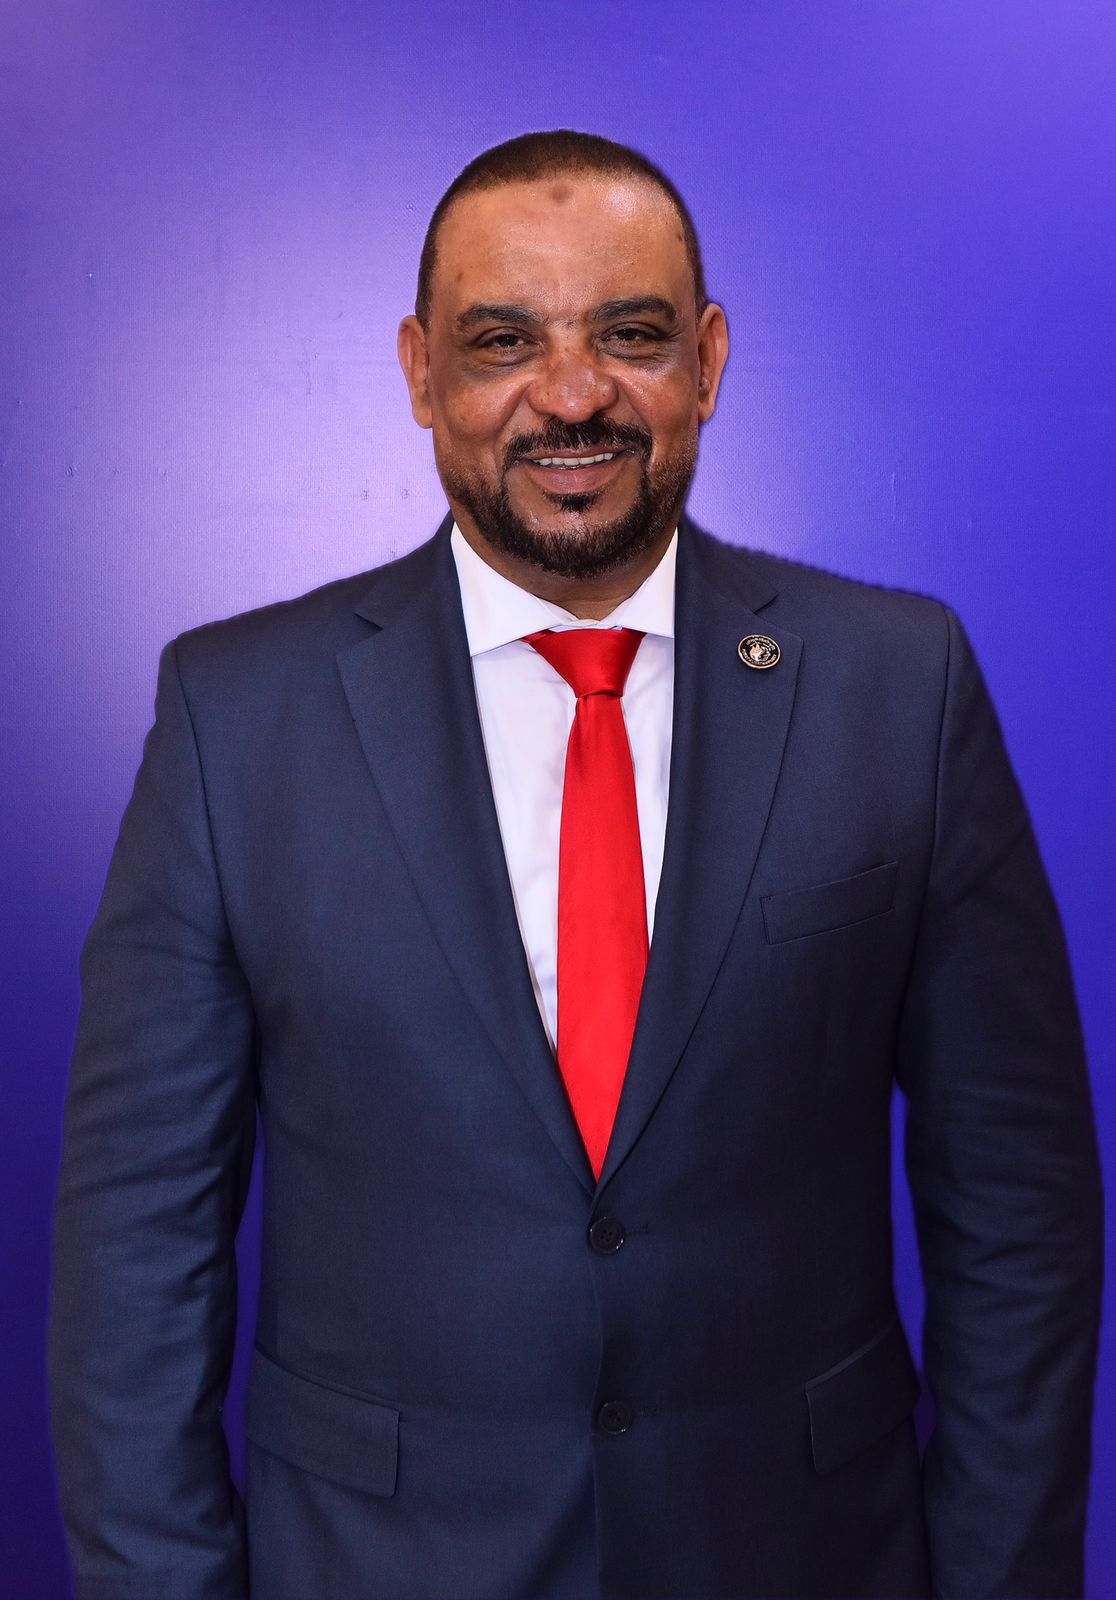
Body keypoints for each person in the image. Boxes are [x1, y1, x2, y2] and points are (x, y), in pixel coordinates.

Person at [49, 130, 1103, 1600]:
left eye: (630, 335)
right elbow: (137, 1245)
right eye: (503, 341)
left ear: (709, 361)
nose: (572, 393)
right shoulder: (236, 716)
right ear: (420, 373)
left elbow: (1020, 1211)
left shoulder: (899, 686)